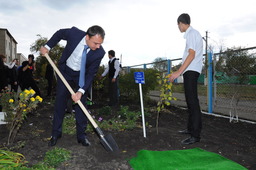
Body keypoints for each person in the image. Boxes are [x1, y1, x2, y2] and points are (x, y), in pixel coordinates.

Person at [40, 26, 105, 147]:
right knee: (60, 102)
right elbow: (59, 34)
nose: (98, 46)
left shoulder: (99, 53)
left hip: (81, 77)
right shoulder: (74, 34)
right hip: (65, 72)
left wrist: (81, 91)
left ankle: (82, 136)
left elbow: (91, 73)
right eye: (96, 43)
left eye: (100, 44)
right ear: (87, 37)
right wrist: (47, 46)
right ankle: (55, 134)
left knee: (81, 106)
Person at [169, 13, 203, 145]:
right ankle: (191, 129)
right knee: (190, 102)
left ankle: (195, 135)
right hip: (190, 71)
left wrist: (178, 72)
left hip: (191, 71)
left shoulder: (192, 33)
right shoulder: (191, 34)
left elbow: (192, 54)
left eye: (178, 24)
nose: (178, 27)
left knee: (193, 102)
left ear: (181, 23)